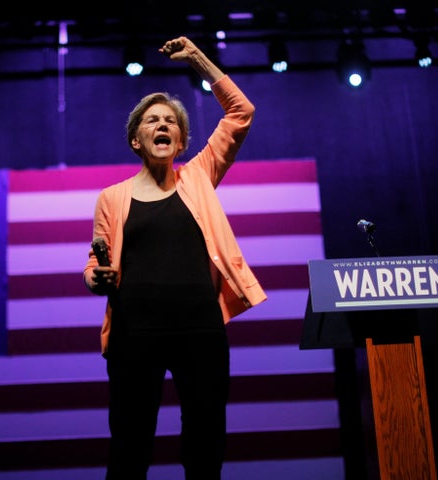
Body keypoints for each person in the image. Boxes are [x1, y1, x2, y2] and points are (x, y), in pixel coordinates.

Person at [83, 36, 267, 480]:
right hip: (134, 332)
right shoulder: (111, 197)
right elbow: (94, 263)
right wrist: (96, 278)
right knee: (130, 446)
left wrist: (199, 61)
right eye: (152, 120)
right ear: (136, 140)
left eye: (170, 121)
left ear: (181, 140)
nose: (162, 125)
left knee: (204, 447)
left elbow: (241, 113)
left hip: (200, 328)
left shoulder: (200, 176)